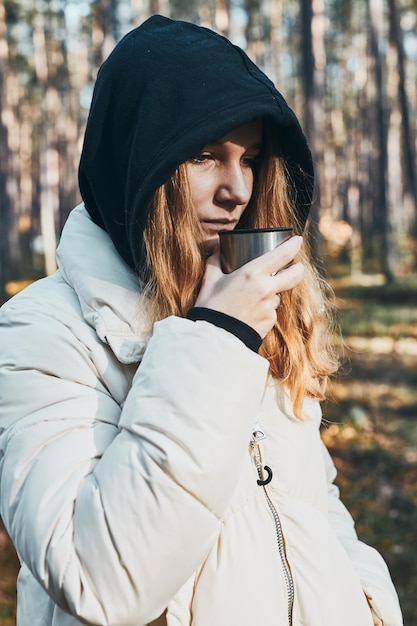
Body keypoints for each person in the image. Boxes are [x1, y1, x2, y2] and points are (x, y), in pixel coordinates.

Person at [0, 14, 403, 626]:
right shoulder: (42, 332)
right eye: (204, 155)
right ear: (136, 161)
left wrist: (369, 604)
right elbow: (99, 576)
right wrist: (215, 340)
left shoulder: (247, 296)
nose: (237, 189)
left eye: (252, 158)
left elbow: (315, 501)